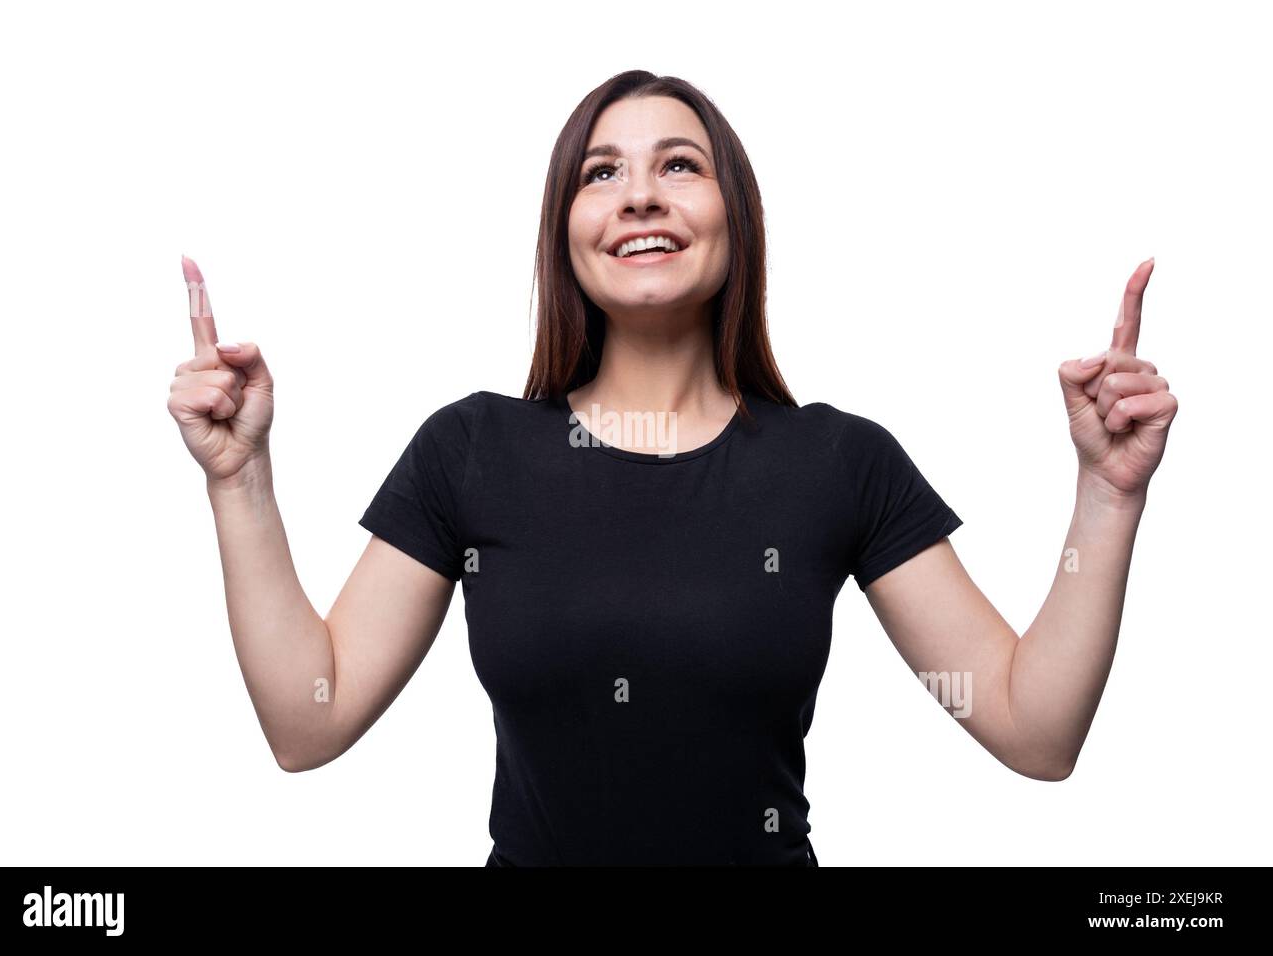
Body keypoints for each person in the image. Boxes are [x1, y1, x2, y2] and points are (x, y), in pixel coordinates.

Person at [167, 70, 1179, 867]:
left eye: (679, 166)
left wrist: (1106, 493)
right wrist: (238, 479)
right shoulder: (468, 451)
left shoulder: (838, 462)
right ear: (564, 233)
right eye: (599, 172)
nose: (639, 193)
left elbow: (1032, 728)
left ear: (734, 216)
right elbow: (309, 719)